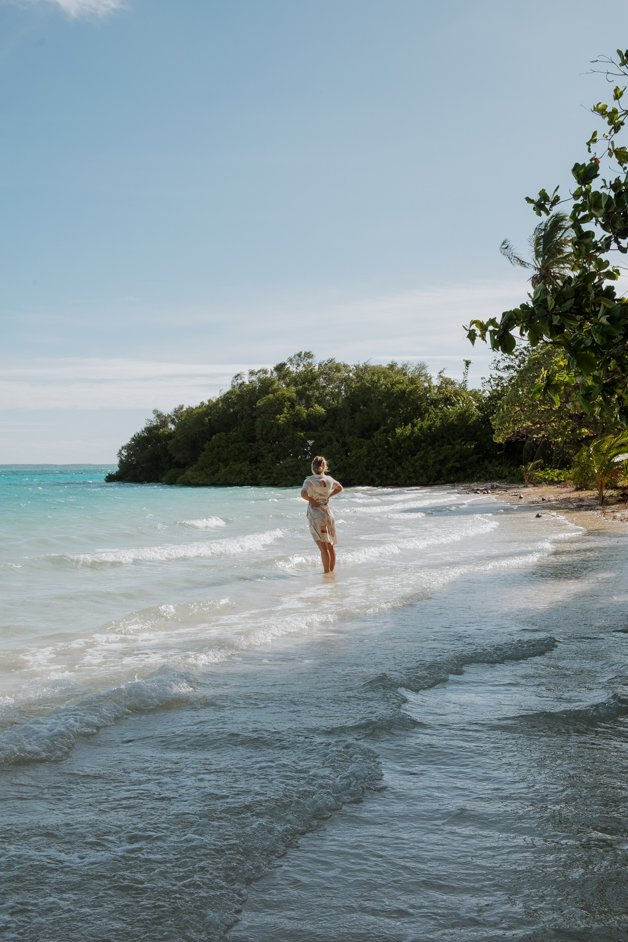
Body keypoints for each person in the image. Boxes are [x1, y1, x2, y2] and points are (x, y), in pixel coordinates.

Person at [300, 456, 343, 574]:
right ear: (324, 467)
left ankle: (326, 573)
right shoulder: (329, 480)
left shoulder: (309, 481)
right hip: (327, 513)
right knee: (330, 546)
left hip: (316, 515)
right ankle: (331, 573)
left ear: (312, 468)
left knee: (323, 548)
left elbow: (303, 493)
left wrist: (311, 499)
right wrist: (329, 495)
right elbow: (340, 488)